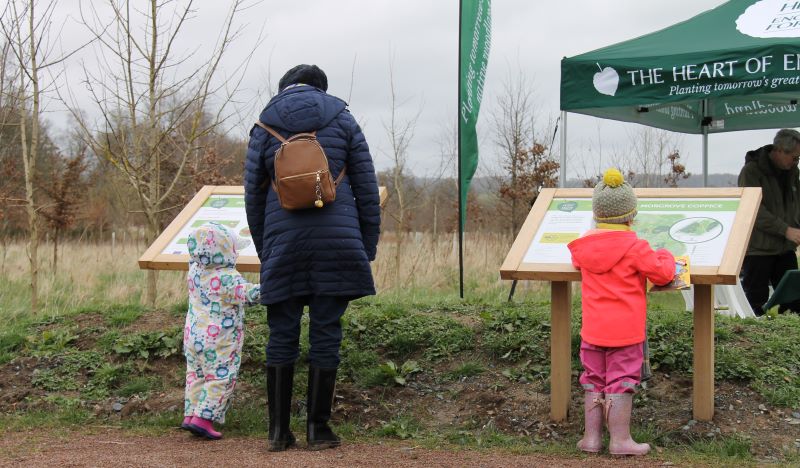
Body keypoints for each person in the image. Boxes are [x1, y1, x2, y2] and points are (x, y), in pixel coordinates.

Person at [244, 64, 380, 451]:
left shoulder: (262, 127)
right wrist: (365, 246)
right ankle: (318, 429)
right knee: (326, 331)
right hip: (337, 245)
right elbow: (367, 189)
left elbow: (253, 197)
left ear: (284, 89)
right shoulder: (344, 119)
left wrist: (265, 251)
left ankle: (277, 432)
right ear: (321, 89)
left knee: (281, 332)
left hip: (283, 246)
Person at [567, 168, 675, 456]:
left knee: (593, 380)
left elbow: (579, 262)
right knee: (621, 382)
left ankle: (591, 439)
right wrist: (665, 254)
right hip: (625, 334)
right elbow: (663, 274)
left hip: (592, 331)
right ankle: (620, 440)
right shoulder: (636, 247)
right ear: (630, 216)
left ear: (597, 215)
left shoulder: (582, 248)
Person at [181, 222, 260, 440]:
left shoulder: (194, 270)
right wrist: (270, 288)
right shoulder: (227, 276)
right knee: (219, 377)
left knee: (195, 375)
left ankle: (190, 415)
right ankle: (204, 419)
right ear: (226, 250)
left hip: (193, 334)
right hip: (220, 339)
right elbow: (247, 294)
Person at [738, 128, 800, 316]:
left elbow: (794, 203)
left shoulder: (792, 172)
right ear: (780, 150)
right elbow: (753, 210)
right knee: (756, 304)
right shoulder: (751, 172)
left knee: (794, 303)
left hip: (785, 249)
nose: (796, 162)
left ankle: (789, 342)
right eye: (795, 157)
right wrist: (785, 230)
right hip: (758, 250)